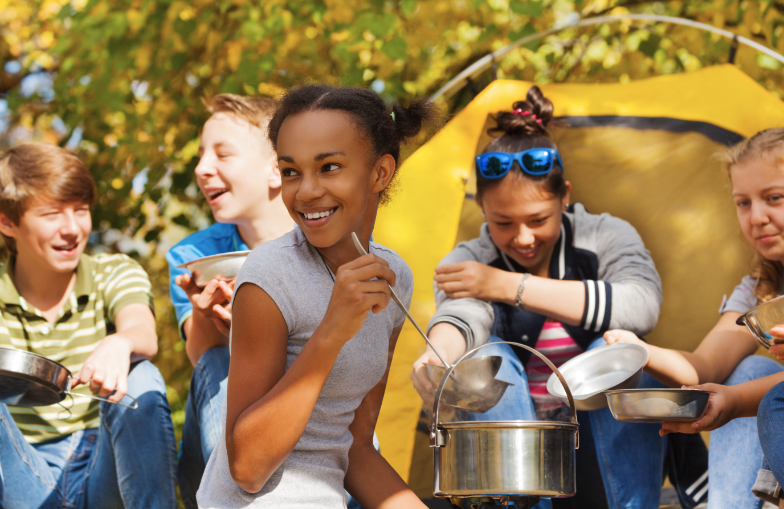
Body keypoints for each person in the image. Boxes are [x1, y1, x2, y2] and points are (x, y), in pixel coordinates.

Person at [409, 87, 705, 509]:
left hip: (601, 450)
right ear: (482, 210)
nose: (523, 238)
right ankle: (514, 501)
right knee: (480, 354)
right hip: (524, 454)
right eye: (503, 223)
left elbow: (641, 305)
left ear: (564, 195)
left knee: (622, 347)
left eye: (538, 220)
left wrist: (509, 286)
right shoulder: (472, 257)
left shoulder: (604, 235)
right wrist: (437, 358)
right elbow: (460, 316)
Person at [196, 85, 436, 508]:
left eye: (329, 167)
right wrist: (331, 332)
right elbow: (247, 470)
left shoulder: (393, 276)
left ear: (381, 172)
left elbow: (357, 449)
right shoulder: (270, 276)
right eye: (291, 172)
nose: (306, 191)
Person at [606, 127, 784, 508]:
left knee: (769, 396)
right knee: (748, 370)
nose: (758, 217)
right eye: (743, 203)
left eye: (774, 198)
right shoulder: (759, 289)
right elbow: (705, 367)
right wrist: (642, 351)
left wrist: (735, 401)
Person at [0, 143, 177, 508]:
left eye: (80, 211)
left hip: (104, 465)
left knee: (140, 376)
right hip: (22, 474)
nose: (72, 229)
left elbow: (141, 331)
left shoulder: (113, 272)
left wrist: (121, 342)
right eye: (51, 214)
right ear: (7, 222)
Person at [165, 94, 295, 506]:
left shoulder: (325, 244)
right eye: (202, 155)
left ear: (276, 170)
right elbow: (202, 356)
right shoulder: (194, 257)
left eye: (222, 154)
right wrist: (208, 318)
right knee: (220, 364)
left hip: (306, 438)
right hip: (218, 460)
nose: (202, 169)